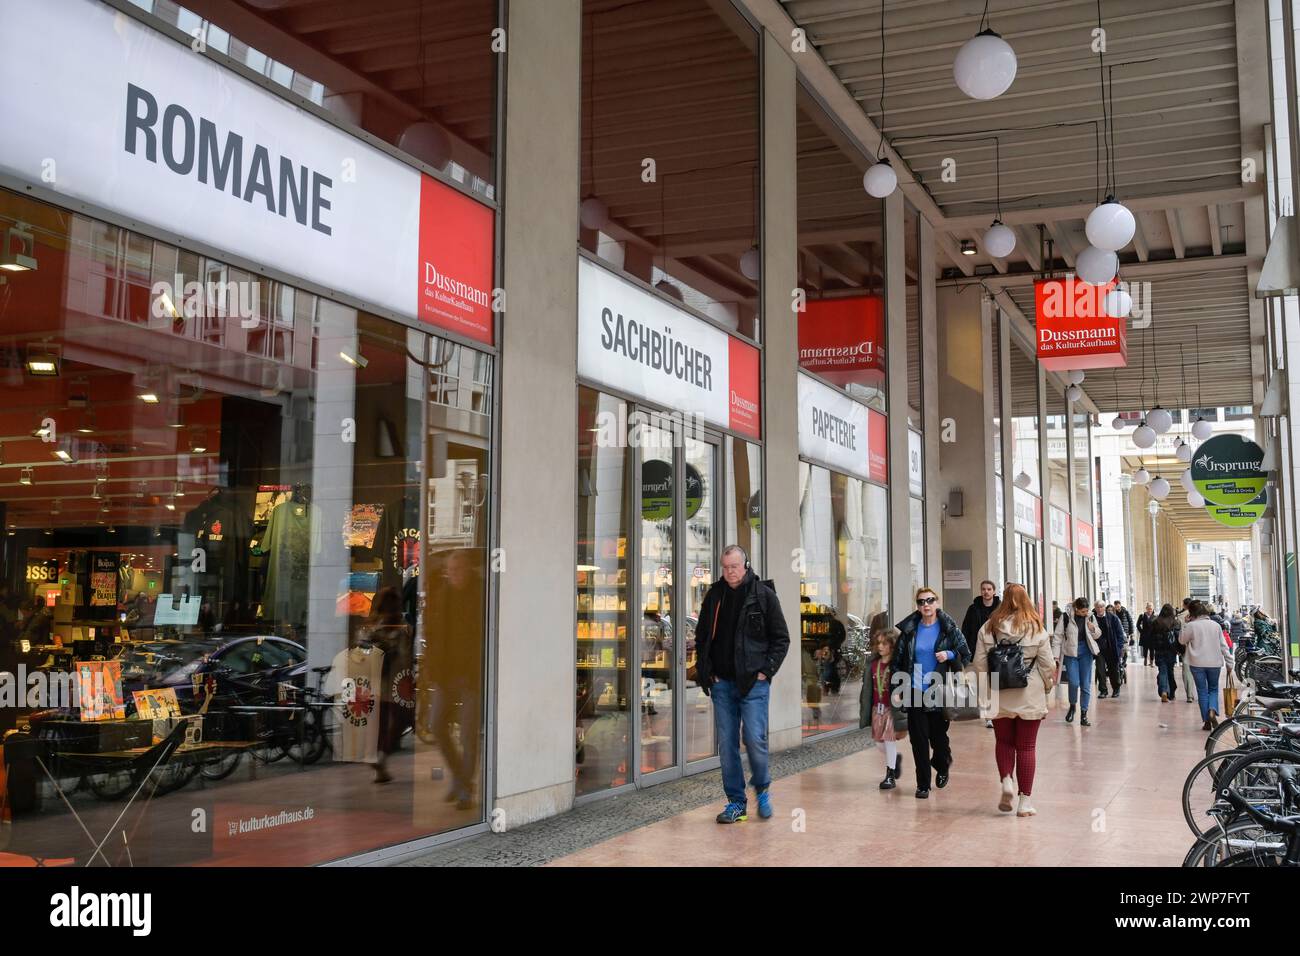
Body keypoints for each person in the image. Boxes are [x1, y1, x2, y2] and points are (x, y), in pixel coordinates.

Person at [695, 544, 790, 824]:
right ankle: (736, 803)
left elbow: (781, 638)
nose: (729, 572)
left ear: (745, 565)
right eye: (725, 567)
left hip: (754, 684)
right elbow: (702, 637)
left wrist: (766, 671)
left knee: (754, 739)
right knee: (727, 745)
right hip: (722, 684)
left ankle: (762, 788)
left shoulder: (764, 596)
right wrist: (707, 670)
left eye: (734, 566)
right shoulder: (714, 595)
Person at [971, 583, 1056, 818]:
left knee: (1004, 742)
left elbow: (979, 664)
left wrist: (985, 691)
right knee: (1026, 746)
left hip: (999, 694)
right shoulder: (1036, 627)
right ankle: (1024, 802)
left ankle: (1007, 780)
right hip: (1029, 694)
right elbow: (1047, 665)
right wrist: (1047, 687)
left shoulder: (988, 628)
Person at [893, 586, 970, 799]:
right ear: (917, 606)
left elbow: (965, 655)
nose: (926, 605)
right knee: (918, 741)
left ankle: (942, 764)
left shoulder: (948, 628)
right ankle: (923, 784)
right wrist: (897, 688)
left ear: (937, 602)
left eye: (930, 600)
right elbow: (897, 662)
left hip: (939, 690)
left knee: (938, 739)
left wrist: (950, 654)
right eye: (921, 602)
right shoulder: (910, 630)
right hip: (915, 691)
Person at [364, 586, 414, 784]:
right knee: (401, 719)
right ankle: (381, 758)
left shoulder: (373, 627)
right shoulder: (401, 628)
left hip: (377, 682)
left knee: (382, 723)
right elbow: (405, 657)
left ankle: (379, 762)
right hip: (395, 683)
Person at [859, 626, 908, 790]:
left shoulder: (897, 665)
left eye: (884, 643)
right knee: (879, 743)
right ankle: (895, 759)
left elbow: (905, 683)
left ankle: (890, 774)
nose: (880, 646)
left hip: (891, 710)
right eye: (878, 643)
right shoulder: (873, 665)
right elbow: (867, 688)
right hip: (877, 709)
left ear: (892, 645)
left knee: (889, 740)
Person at [1180, 601, 1234, 730]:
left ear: (1192, 613)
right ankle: (1212, 709)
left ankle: (1206, 721)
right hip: (1214, 663)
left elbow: (1182, 640)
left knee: (1202, 691)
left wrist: (1185, 624)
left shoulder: (1191, 626)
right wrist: (1229, 662)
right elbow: (1223, 646)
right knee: (1213, 689)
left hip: (1196, 663)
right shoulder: (1215, 626)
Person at [1052, 598, 1100, 725]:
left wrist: (1093, 629)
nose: (1086, 613)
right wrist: (1055, 656)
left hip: (1086, 652)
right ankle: (1073, 706)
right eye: (1083, 611)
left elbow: (1098, 634)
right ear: (1076, 609)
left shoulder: (1090, 617)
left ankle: (1084, 714)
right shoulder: (1066, 617)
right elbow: (1057, 636)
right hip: (1070, 653)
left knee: (1085, 684)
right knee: (1073, 682)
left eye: (1087, 610)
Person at [961, 580, 1001, 729]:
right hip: (978, 649)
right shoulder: (973, 609)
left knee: (995, 682)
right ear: (980, 591)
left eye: (989, 589)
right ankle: (987, 715)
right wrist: (965, 649)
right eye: (983, 589)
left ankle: (996, 710)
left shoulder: (1000, 608)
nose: (986, 591)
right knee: (982, 681)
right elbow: (965, 629)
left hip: (997, 650)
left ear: (994, 591)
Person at [1148, 604, 1181, 702]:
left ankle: (1164, 691)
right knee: (1170, 671)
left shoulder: (1155, 622)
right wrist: (1180, 650)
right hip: (1171, 651)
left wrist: (1153, 648)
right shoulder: (1175, 622)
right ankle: (1171, 693)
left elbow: (1151, 637)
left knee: (1162, 671)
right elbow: (1177, 636)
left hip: (1159, 651)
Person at [1093, 601, 1125, 700]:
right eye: (1098, 607)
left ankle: (1116, 688)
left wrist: (1119, 647)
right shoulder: (1092, 618)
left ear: (1105, 607)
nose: (1100, 609)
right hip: (1099, 649)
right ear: (1095, 608)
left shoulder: (1113, 618)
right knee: (1100, 670)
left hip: (1112, 648)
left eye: (1102, 607)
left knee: (1113, 670)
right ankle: (1103, 690)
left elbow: (1120, 634)